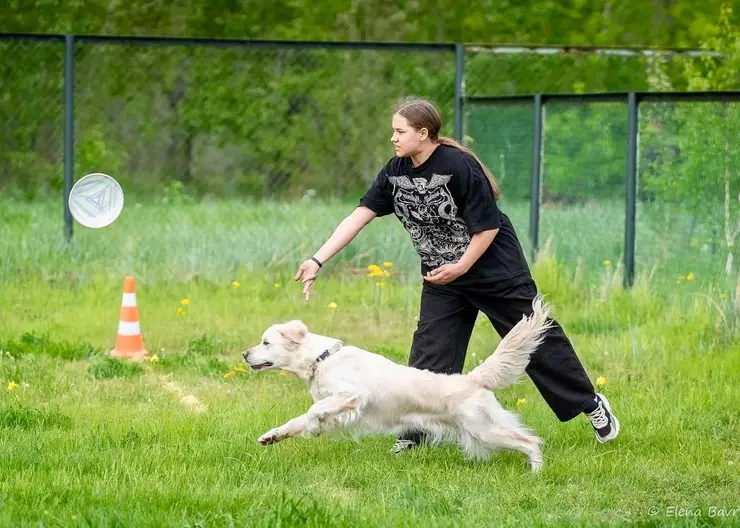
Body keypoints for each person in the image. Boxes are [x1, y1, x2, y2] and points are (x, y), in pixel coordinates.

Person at [293, 96, 620, 453]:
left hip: (495, 272)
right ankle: (417, 433)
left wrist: (462, 267)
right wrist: (318, 259)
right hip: (441, 277)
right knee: (430, 355)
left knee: (535, 339)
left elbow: (487, 228)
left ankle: (590, 404)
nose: (394, 138)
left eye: (400, 131)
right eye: (393, 131)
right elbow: (361, 214)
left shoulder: (459, 166)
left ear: (424, 133)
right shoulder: (395, 171)